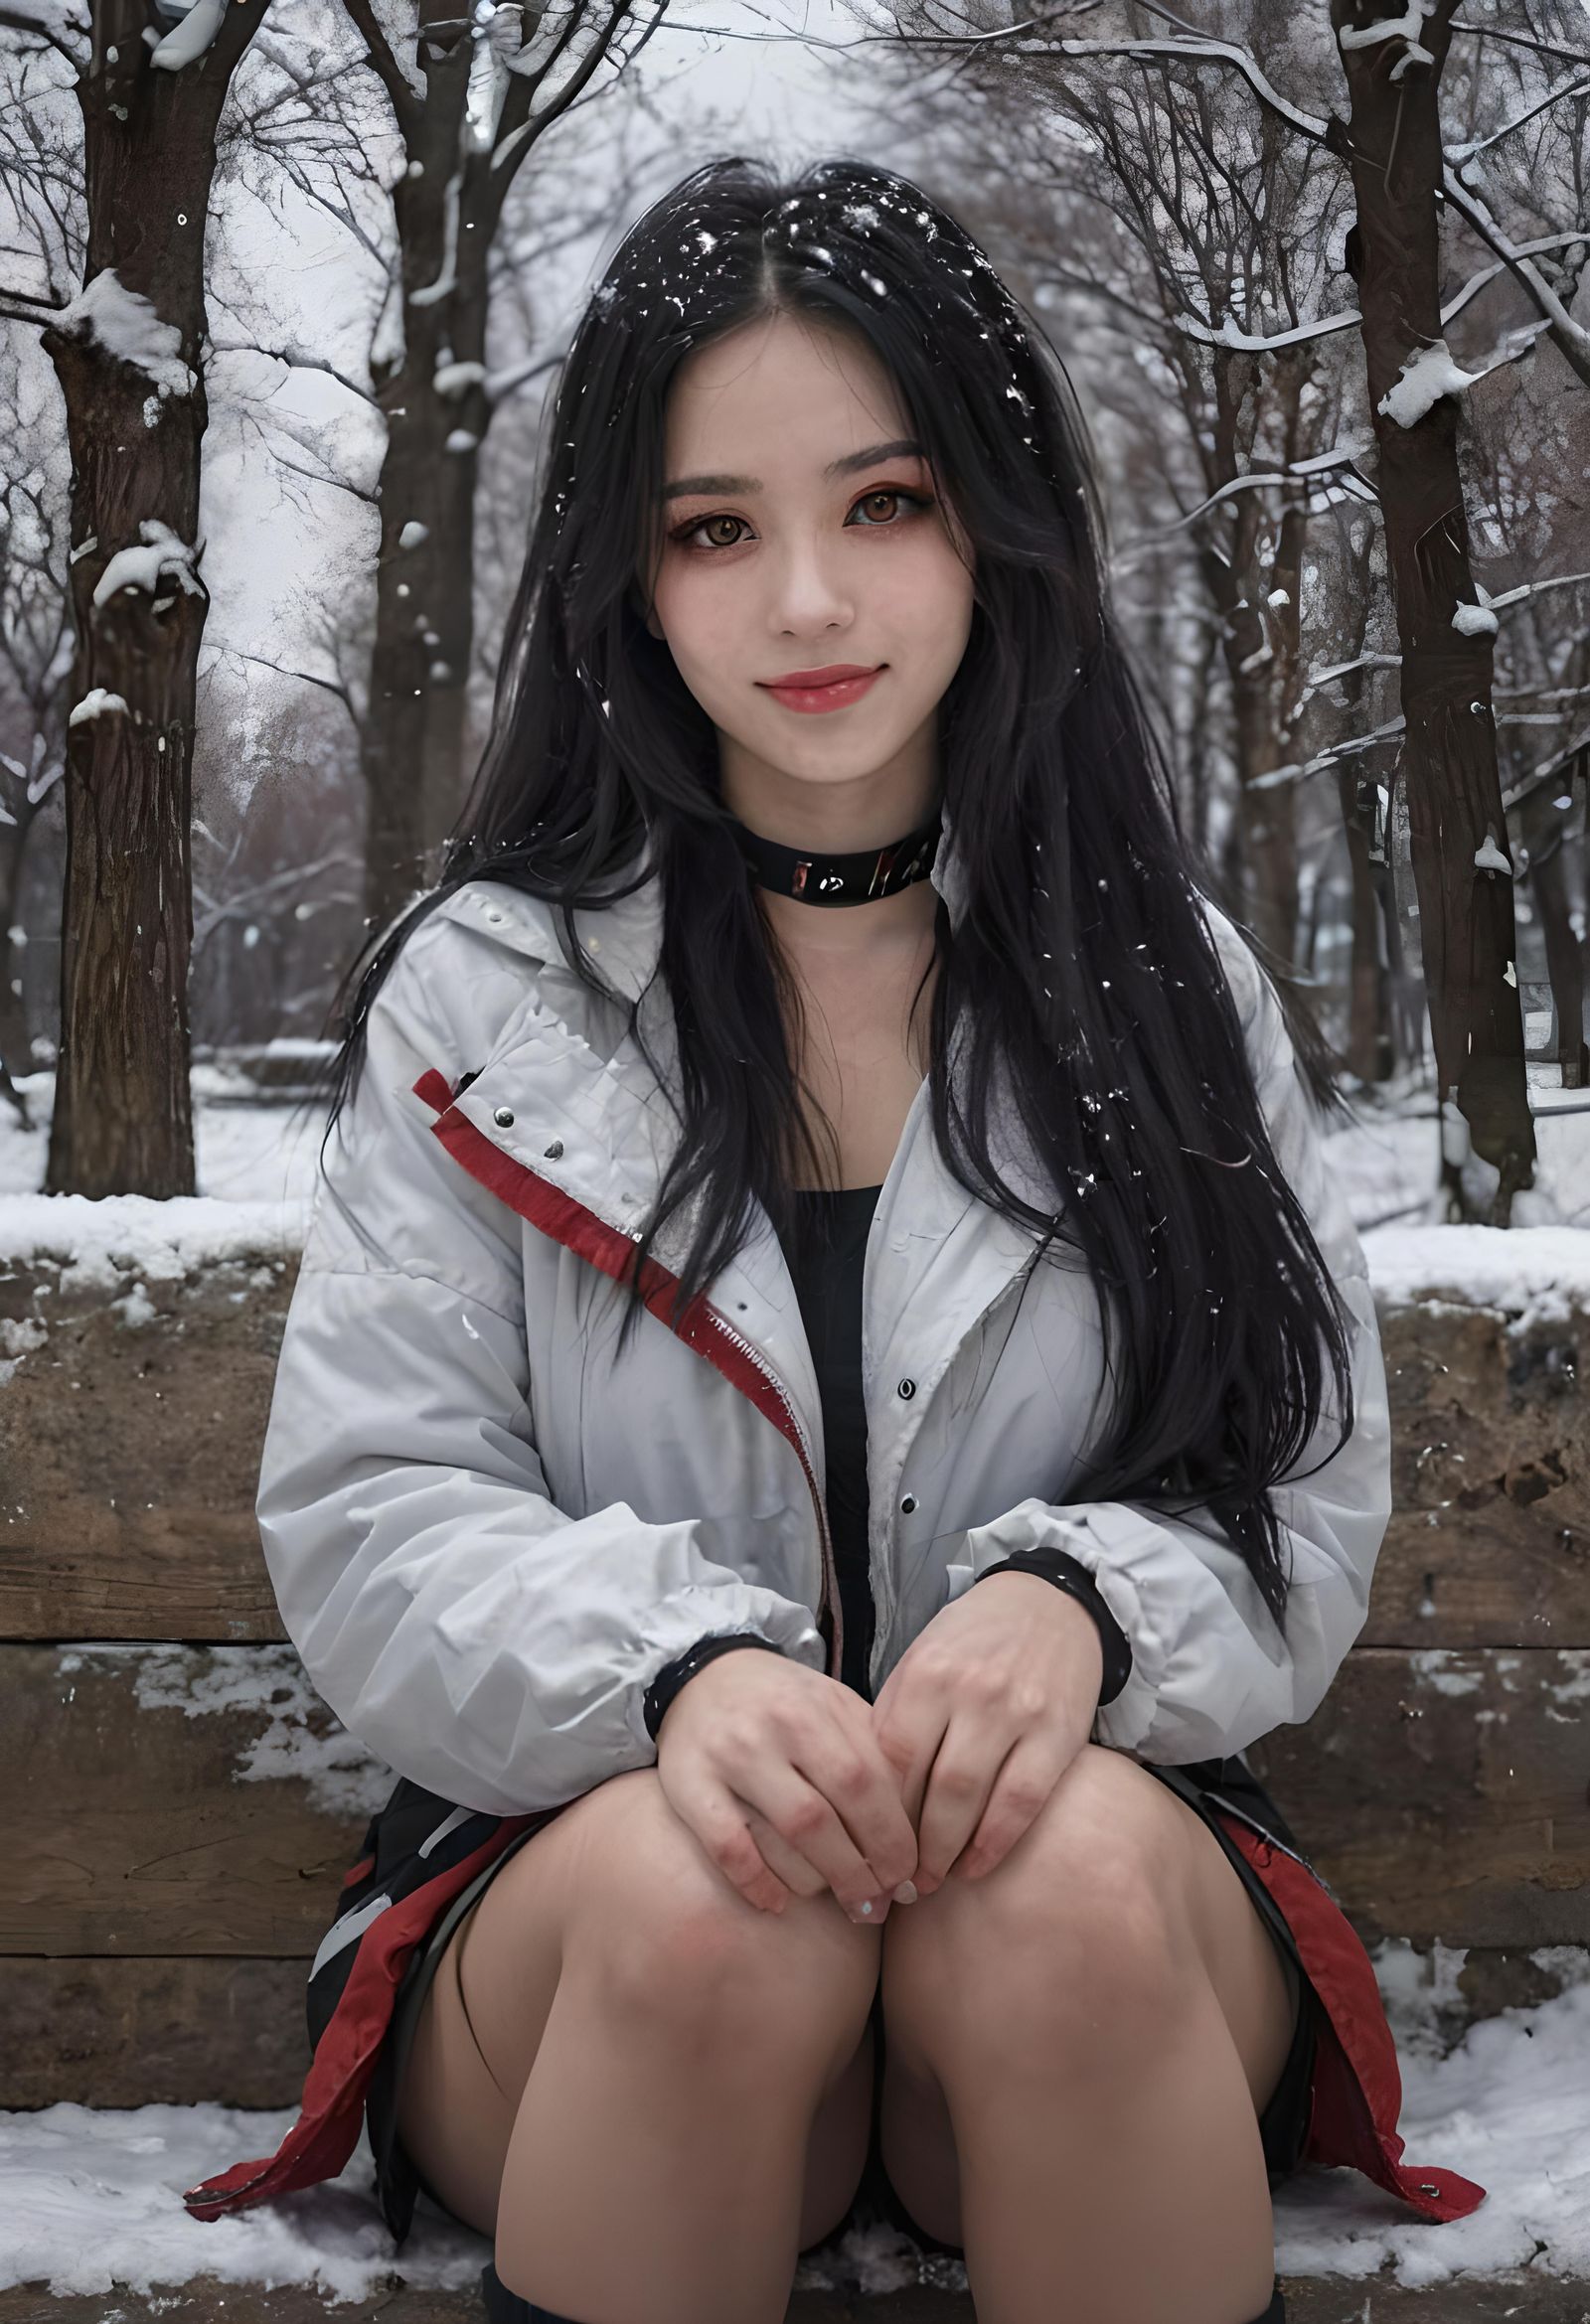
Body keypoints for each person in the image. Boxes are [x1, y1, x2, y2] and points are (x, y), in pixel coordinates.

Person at [183, 156, 1486, 2323]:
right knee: (726, 1907)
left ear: (992, 520)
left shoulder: (1168, 983)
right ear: (630, 576)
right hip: (585, 1902)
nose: (805, 602)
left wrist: (1080, 1608)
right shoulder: (487, 1000)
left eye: (880, 504)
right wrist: (677, 1674)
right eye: (714, 529)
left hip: (1089, 1921)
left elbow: (1293, 1483)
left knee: (1049, 1904)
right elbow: (374, 1508)